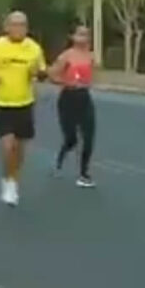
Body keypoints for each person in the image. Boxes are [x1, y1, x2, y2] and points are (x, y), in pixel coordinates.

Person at [0, 11, 47, 206]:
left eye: (23, 25)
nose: (19, 28)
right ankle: (7, 181)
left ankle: (13, 180)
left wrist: (38, 74)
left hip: (24, 103)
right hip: (1, 103)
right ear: (6, 27)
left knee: (20, 148)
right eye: (15, 24)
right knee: (8, 145)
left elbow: (42, 72)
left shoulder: (33, 48)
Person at [49, 25, 96, 187]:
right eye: (80, 35)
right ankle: (59, 161)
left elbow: (92, 75)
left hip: (84, 97)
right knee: (71, 139)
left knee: (89, 136)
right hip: (68, 98)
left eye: (86, 35)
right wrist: (66, 82)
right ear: (73, 37)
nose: (83, 38)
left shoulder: (90, 56)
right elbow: (52, 74)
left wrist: (85, 83)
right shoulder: (66, 56)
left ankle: (84, 174)